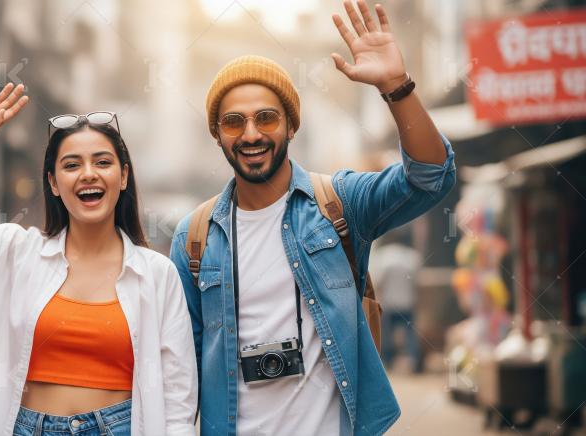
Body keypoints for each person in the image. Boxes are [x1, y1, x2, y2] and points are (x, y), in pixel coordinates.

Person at [168, 1, 456, 435]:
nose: (250, 134)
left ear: (291, 126)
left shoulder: (338, 204)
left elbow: (431, 176)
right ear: (216, 134)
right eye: (233, 122)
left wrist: (397, 86)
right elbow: (178, 368)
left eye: (266, 117)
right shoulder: (194, 237)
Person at [0, 83, 197, 435]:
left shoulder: (157, 274)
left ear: (123, 176)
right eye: (72, 165)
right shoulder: (14, 254)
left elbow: (178, 399)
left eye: (103, 162)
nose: (88, 173)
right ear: (54, 183)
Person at [368, 231, 423, 373]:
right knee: (410, 335)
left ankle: (386, 362)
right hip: (407, 303)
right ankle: (413, 362)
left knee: (386, 335)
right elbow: (416, 283)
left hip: (389, 303)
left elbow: (379, 283)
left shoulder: (383, 256)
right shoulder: (413, 256)